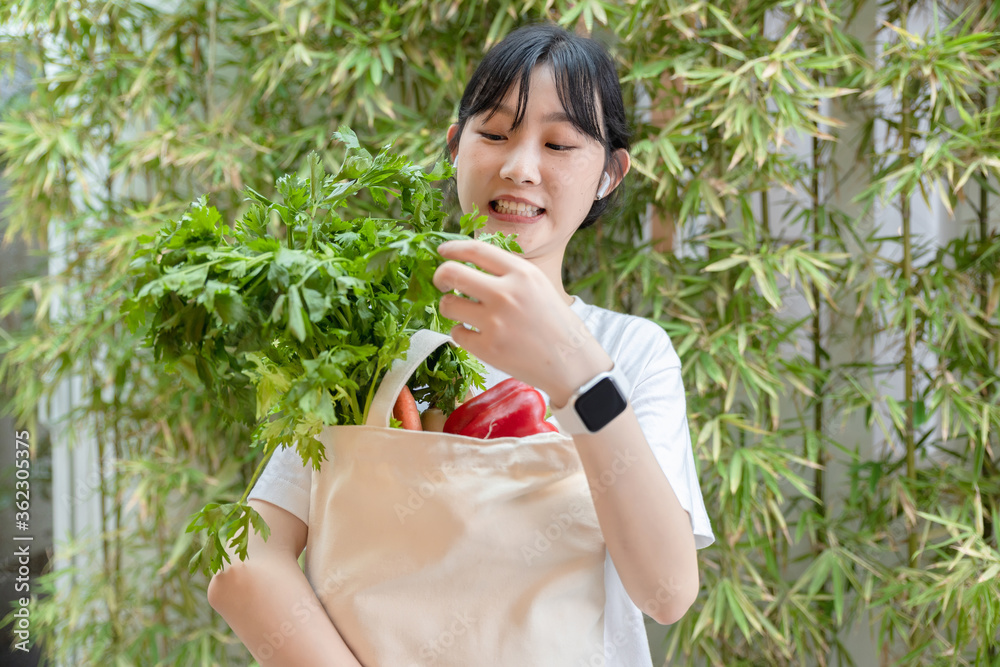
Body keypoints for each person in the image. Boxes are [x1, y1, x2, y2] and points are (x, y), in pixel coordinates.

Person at [207, 22, 714, 666]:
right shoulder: (370, 334)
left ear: (611, 173)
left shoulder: (631, 352)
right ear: (454, 147)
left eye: (559, 144)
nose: (520, 167)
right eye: (496, 134)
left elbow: (666, 591)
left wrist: (579, 377)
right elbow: (246, 557)